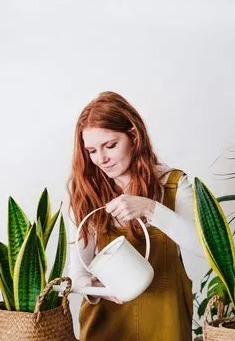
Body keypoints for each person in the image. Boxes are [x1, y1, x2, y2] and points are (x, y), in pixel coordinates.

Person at [67, 91, 205, 341]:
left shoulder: (173, 185)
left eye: (110, 145)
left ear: (134, 136)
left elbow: (204, 248)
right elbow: (76, 273)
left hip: (166, 326)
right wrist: (95, 289)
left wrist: (151, 209)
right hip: (106, 327)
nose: (102, 159)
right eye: (92, 151)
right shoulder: (89, 193)